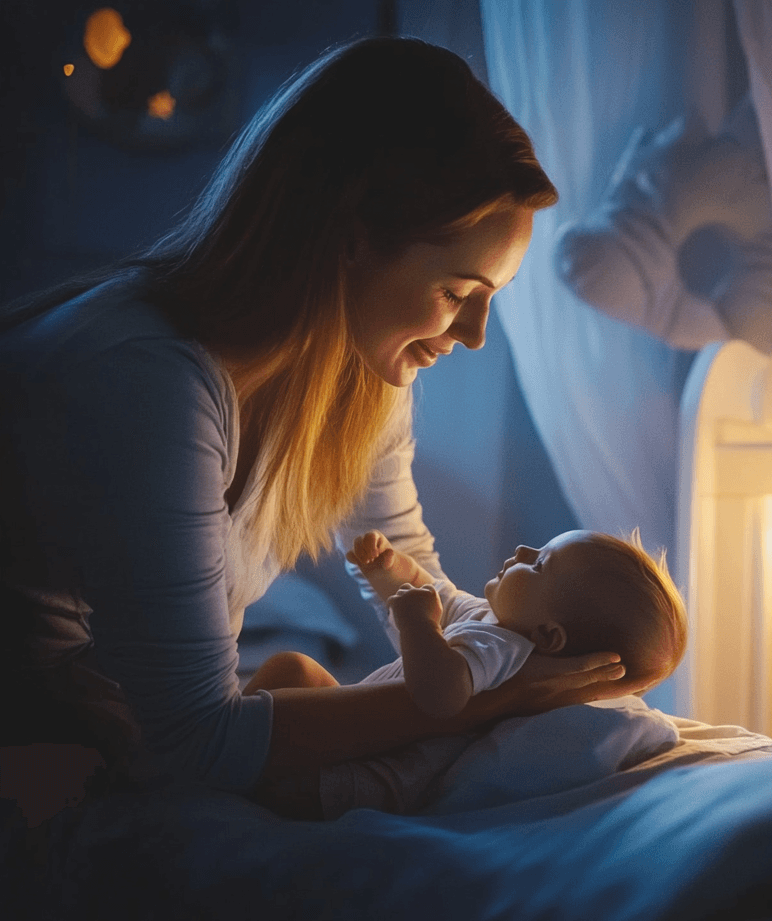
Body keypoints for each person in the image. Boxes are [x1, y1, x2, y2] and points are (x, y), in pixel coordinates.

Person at [0, 37, 634, 822]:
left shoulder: (359, 379)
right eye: (456, 289)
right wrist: (487, 702)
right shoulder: (147, 381)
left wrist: (534, 656)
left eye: (491, 295)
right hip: (40, 745)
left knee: (301, 677)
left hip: (113, 726)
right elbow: (198, 742)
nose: (474, 332)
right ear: (348, 239)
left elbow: (415, 590)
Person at [248, 528, 688, 720]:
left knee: (291, 672)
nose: (521, 550)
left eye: (539, 565)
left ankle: (214, 770)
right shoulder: (492, 622)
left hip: (359, 765)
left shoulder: (502, 652)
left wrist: (419, 627)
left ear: (549, 636)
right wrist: (391, 570)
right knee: (295, 673)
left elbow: (442, 695)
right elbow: (441, 597)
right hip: (354, 731)